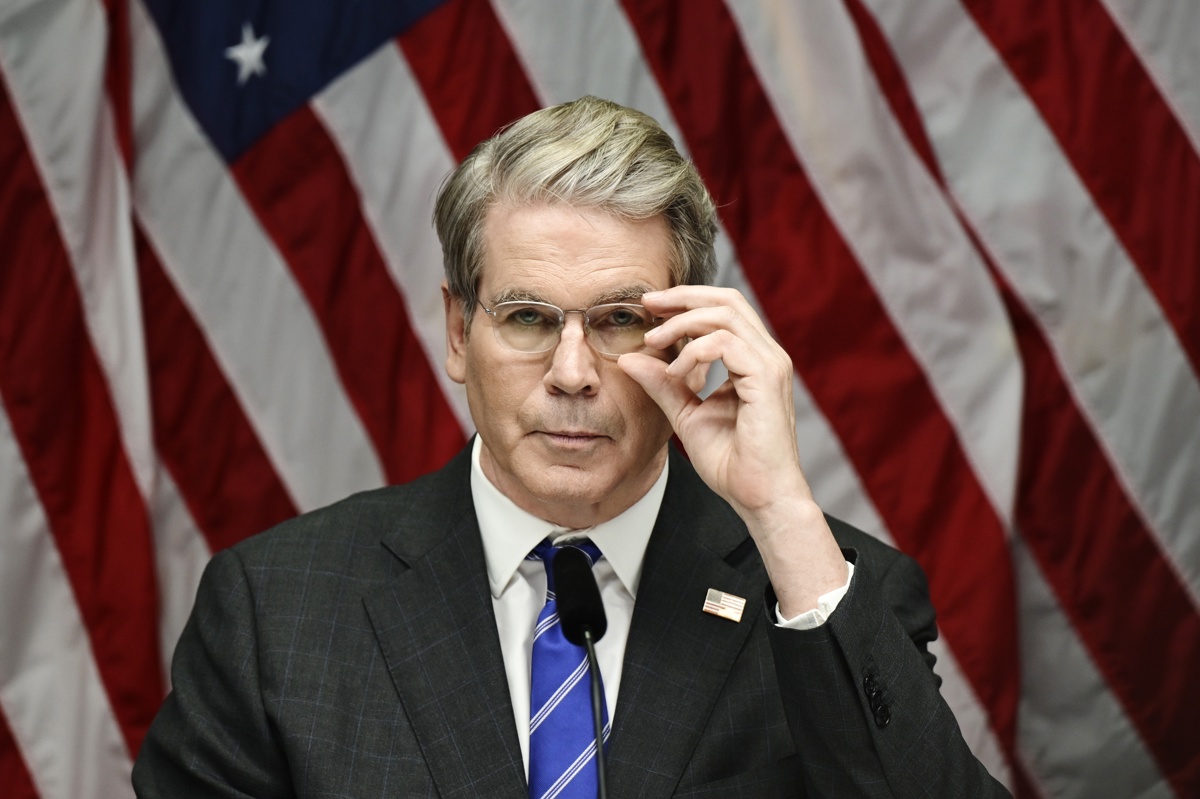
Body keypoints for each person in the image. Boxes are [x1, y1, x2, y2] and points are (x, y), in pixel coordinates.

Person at [133, 96, 1010, 798]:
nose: (572, 372)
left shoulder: (826, 591)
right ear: (455, 331)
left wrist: (780, 516)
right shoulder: (275, 609)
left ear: (689, 338)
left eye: (621, 319)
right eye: (526, 317)